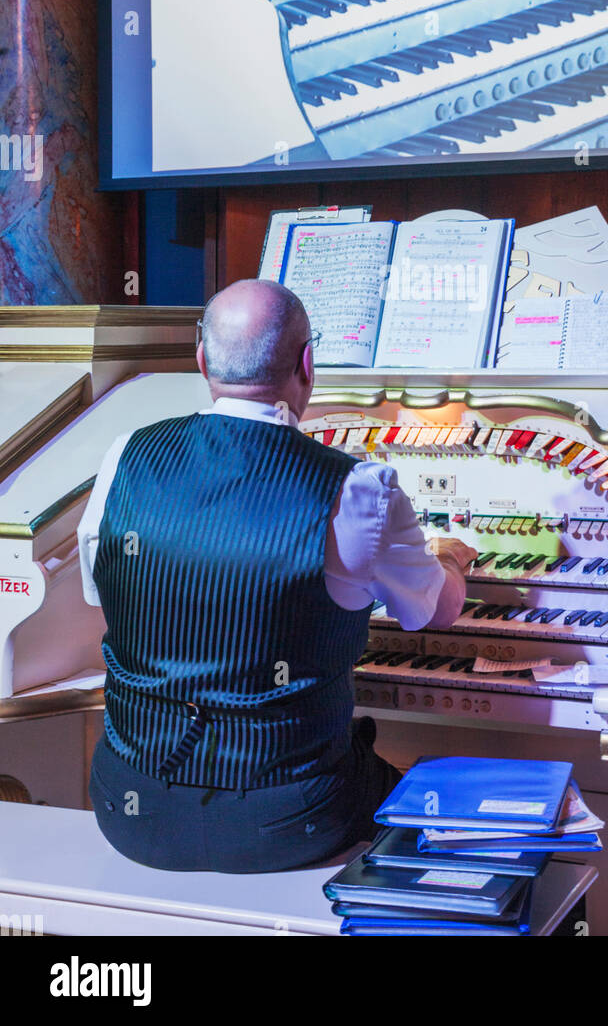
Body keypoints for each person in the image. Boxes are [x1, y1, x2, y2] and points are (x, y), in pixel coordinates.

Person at [78, 279, 475, 873]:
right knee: (451, 812)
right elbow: (434, 612)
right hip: (292, 819)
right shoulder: (357, 488)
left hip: (129, 809)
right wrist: (449, 559)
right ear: (307, 364)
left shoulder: (126, 456)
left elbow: (100, 589)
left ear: (202, 359)